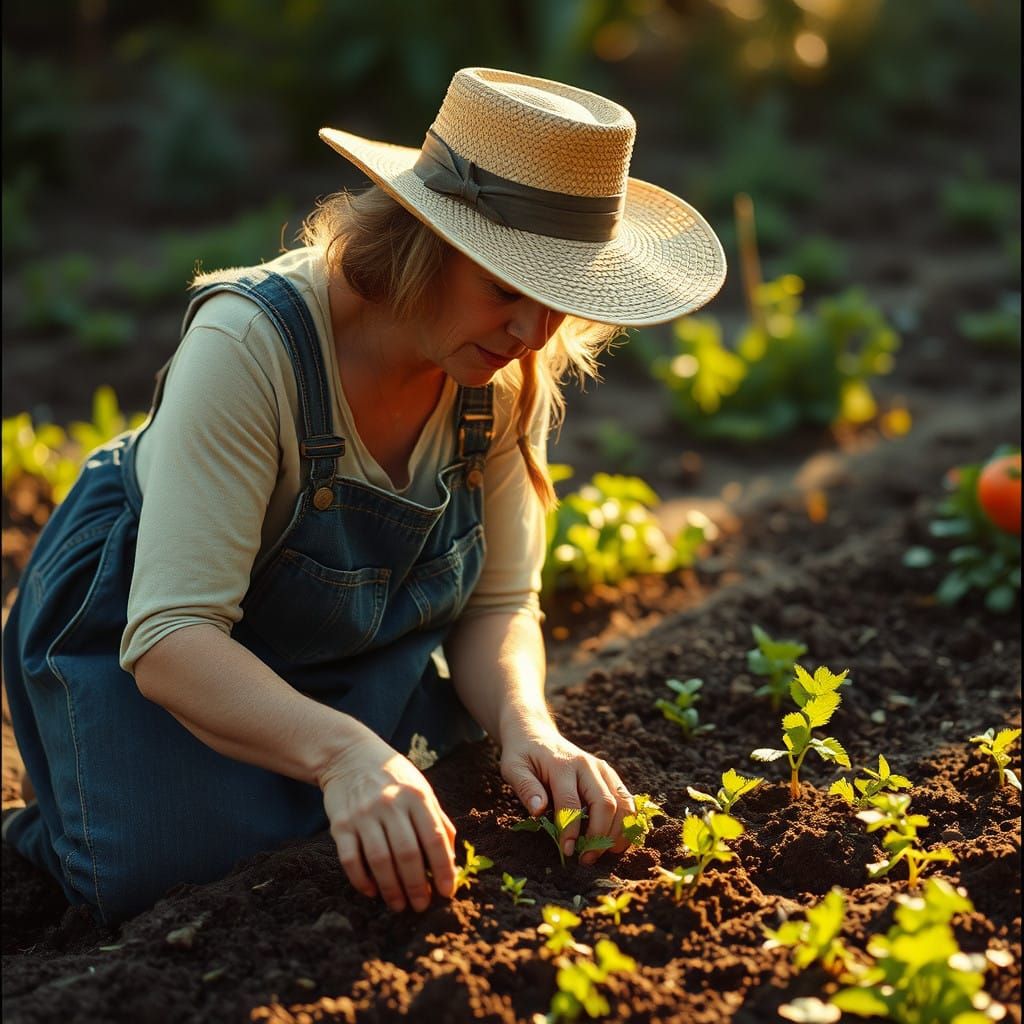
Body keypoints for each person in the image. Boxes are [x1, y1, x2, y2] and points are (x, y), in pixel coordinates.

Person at [1, 67, 725, 925]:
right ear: (425, 238)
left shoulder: (503, 369)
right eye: (505, 288)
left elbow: (500, 603)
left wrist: (530, 726)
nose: (534, 333)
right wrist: (346, 754)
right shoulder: (250, 345)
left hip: (347, 638)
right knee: (166, 879)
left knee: (429, 798)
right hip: (160, 632)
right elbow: (173, 637)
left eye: (556, 301)